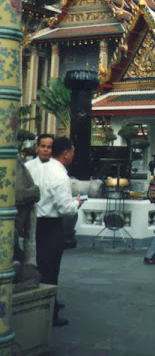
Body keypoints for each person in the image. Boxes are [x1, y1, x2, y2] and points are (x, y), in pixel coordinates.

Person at [27, 136, 84, 327]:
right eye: (72, 152)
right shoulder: (60, 175)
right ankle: (49, 313)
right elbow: (65, 208)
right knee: (50, 268)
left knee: (42, 265)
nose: (73, 156)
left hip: (37, 221)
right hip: (51, 225)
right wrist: (76, 203)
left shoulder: (45, 168)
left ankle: (49, 302)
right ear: (66, 154)